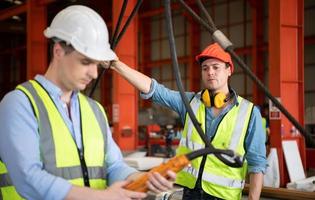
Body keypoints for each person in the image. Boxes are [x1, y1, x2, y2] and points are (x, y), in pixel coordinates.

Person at [0, 5, 175, 200]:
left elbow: (114, 166)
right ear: (58, 51)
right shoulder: (20, 104)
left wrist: (143, 178)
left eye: (97, 64)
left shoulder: (94, 110)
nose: (94, 73)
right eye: (85, 62)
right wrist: (100, 197)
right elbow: (27, 178)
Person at [110, 43, 267, 200]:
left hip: (224, 196)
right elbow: (154, 90)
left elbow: (257, 164)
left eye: (215, 67)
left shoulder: (249, 113)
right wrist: (116, 64)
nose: (210, 72)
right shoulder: (190, 103)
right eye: (205, 68)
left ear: (229, 70)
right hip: (189, 193)